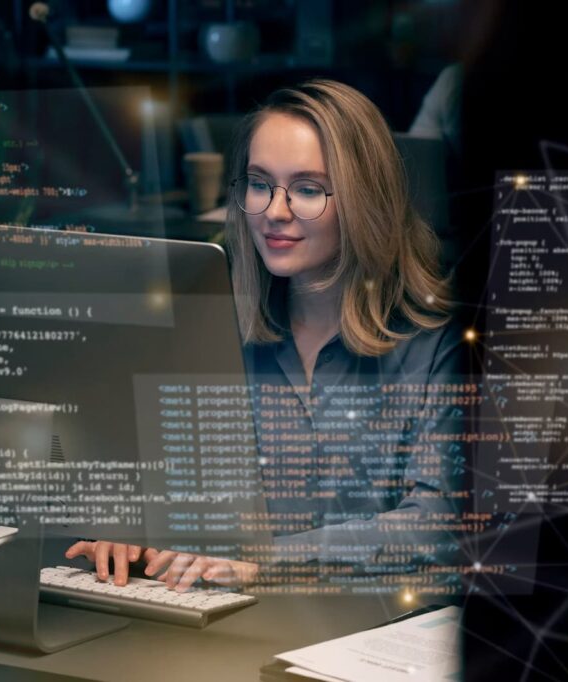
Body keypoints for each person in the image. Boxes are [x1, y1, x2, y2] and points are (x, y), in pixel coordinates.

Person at [66, 79, 470, 592]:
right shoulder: (211, 326)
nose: (274, 212)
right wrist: (128, 527)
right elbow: (154, 482)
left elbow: (435, 523)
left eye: (307, 189)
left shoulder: (441, 345)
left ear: (368, 200)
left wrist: (261, 561)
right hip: (216, 626)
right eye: (260, 184)